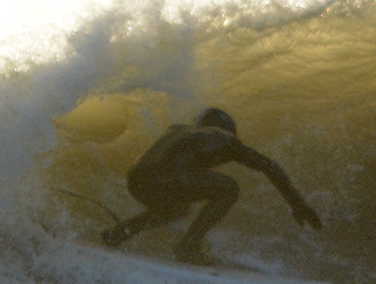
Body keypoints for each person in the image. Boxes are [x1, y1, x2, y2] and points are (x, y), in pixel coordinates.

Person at [100, 107, 321, 265]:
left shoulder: (177, 129)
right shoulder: (226, 138)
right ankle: (188, 247)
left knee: (176, 210)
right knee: (229, 188)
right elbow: (270, 167)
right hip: (166, 179)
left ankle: (118, 233)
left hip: (137, 181)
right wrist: (298, 204)